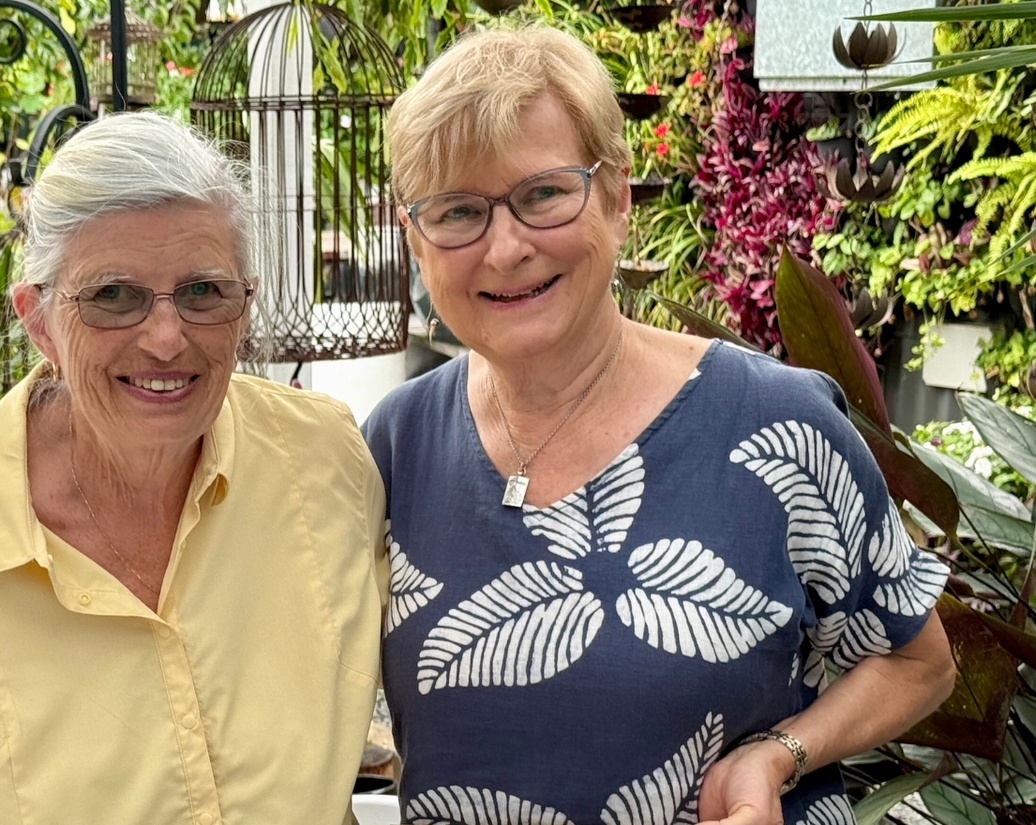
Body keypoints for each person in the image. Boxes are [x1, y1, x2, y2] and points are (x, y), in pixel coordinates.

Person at [363, 25, 956, 825]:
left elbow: (920, 662)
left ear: (616, 197)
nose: (505, 247)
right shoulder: (397, 445)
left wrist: (779, 755)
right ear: (415, 240)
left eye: (543, 194)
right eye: (459, 211)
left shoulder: (777, 428)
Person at [1, 112, 385, 825]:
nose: (167, 337)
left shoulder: (325, 460)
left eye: (204, 291)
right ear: (39, 319)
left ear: (247, 304)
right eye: (114, 295)